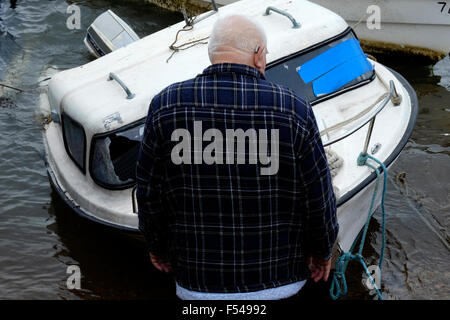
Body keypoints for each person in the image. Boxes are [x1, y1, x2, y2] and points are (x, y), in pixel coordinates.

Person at [136, 14, 339, 300]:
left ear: (212, 54)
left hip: (197, 285)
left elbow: (148, 194)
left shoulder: (166, 105)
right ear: (258, 55)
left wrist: (157, 246)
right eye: (265, 54)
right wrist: (322, 251)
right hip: (280, 281)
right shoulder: (293, 109)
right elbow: (318, 197)